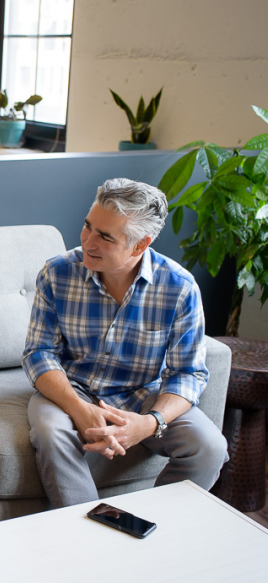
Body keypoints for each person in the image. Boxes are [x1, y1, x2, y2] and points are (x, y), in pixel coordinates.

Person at [23, 178, 228, 508]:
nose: (88, 242)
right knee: (51, 431)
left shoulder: (180, 288)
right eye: (88, 227)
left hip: (143, 394)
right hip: (71, 388)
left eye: (105, 236)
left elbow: (188, 374)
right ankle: (87, 532)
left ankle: (152, 528)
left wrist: (149, 424)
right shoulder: (57, 273)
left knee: (209, 447)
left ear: (139, 245)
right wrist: (79, 409)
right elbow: (39, 353)